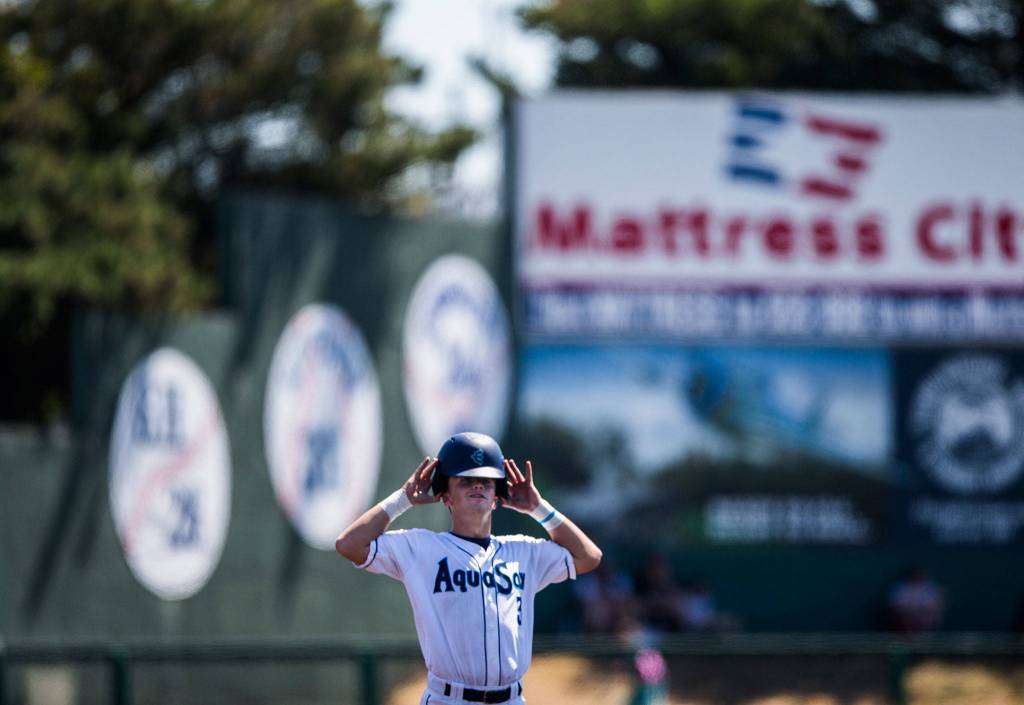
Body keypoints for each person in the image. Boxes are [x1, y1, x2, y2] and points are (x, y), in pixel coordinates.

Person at [335, 432, 603, 705]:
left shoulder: (524, 552)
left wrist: (538, 509)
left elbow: (589, 556)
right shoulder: (420, 548)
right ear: (445, 496)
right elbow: (349, 544)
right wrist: (401, 500)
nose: (478, 486)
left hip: (511, 699)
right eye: (465, 481)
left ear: (496, 497)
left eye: (486, 481)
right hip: (449, 699)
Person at [887, 566, 946, 634]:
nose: (918, 576)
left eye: (920, 574)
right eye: (916, 574)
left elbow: (935, 606)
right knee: (905, 617)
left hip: (924, 617)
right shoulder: (901, 588)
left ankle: (926, 638)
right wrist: (912, 613)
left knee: (929, 616)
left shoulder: (930, 588)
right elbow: (897, 607)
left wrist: (921, 613)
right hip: (906, 618)